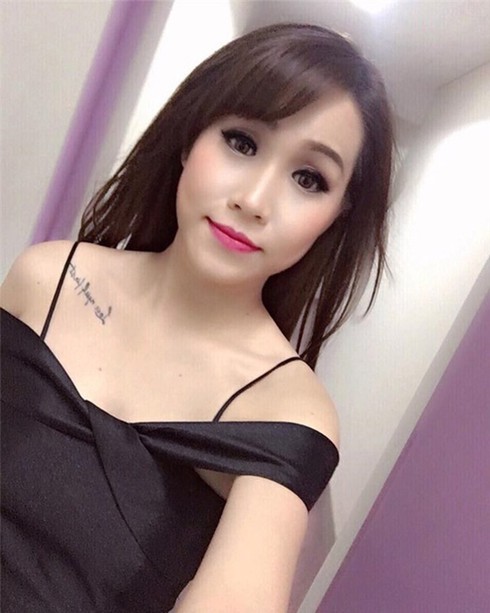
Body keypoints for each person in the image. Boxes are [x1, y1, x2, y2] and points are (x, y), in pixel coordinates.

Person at [1, 22, 394, 613]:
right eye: (242, 142)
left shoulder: (287, 414)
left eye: (308, 179)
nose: (254, 201)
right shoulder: (47, 276)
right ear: (191, 138)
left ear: (337, 215)